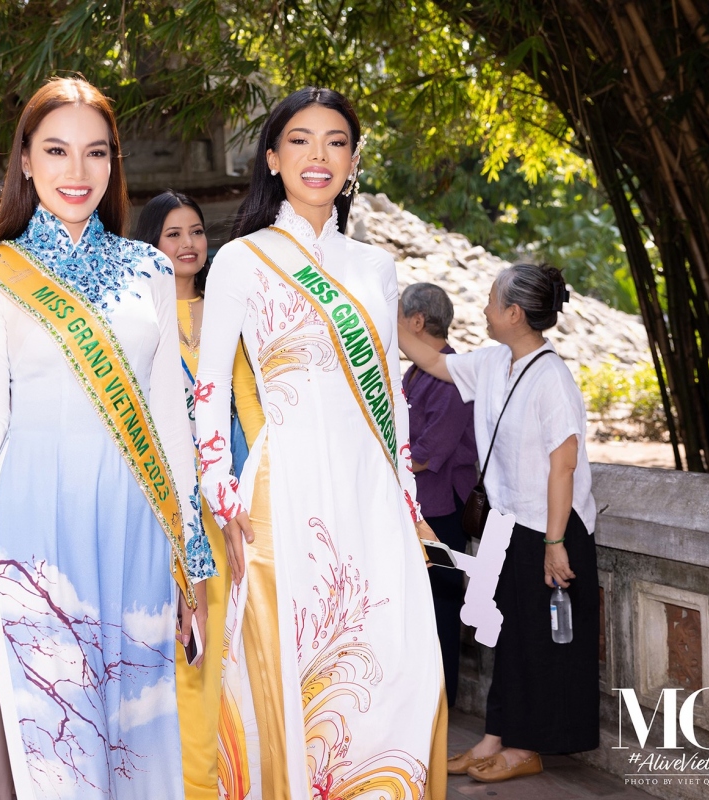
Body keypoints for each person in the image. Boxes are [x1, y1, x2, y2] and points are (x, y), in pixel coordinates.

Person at [0, 77, 211, 798]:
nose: (78, 172)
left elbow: (171, 420)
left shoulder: (151, 270)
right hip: (35, 536)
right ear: (27, 163)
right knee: (58, 738)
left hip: (134, 529)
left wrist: (190, 555)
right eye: (57, 150)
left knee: (137, 733)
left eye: (95, 153)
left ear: (114, 164)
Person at [195, 87, 447, 799]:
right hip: (287, 492)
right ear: (272, 158)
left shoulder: (375, 267)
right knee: (291, 662)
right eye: (299, 140)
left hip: (372, 496)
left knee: (398, 663)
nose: (318, 156)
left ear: (353, 160)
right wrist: (221, 494)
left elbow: (391, 395)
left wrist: (408, 497)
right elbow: (209, 388)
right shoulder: (240, 260)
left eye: (335, 141)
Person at [398, 262, 599, 783]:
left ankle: (526, 747)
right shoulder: (492, 363)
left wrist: (556, 543)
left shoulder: (551, 376)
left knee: (537, 640)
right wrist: (376, 307)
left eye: (491, 301)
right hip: (509, 525)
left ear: (514, 313)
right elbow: (429, 359)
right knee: (506, 636)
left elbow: (564, 464)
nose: (484, 309)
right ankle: (494, 736)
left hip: (550, 527)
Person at [134, 189, 264, 800]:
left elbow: (248, 407)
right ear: (149, 245)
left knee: (212, 645)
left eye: (195, 232)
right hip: (153, 510)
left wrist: (258, 487)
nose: (188, 245)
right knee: (162, 641)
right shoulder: (134, 316)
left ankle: (212, 778)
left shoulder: (226, 312)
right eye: (172, 235)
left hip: (217, 508)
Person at [400, 282, 478, 708]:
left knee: (443, 603)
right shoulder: (415, 372)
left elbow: (431, 452)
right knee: (419, 604)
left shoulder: (451, 374)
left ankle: (442, 701)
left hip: (443, 509)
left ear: (415, 322)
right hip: (417, 506)